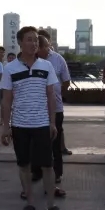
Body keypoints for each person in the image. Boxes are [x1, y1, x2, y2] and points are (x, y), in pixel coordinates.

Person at [0, 26, 66, 210]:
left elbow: (51, 96)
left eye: (36, 40)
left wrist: (52, 123)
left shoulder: (46, 66)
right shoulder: (10, 68)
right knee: (24, 166)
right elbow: (6, 100)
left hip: (42, 124)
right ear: (20, 42)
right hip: (20, 125)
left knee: (47, 166)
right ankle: (29, 203)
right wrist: (5, 127)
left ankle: (51, 205)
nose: (34, 43)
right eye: (29, 39)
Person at [30, 35, 69, 195]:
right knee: (35, 143)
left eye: (46, 46)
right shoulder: (29, 61)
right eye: (42, 46)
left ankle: (57, 173)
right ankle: (36, 171)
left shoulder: (58, 59)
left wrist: (58, 95)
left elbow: (66, 80)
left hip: (55, 108)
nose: (46, 49)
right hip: (36, 110)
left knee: (55, 142)